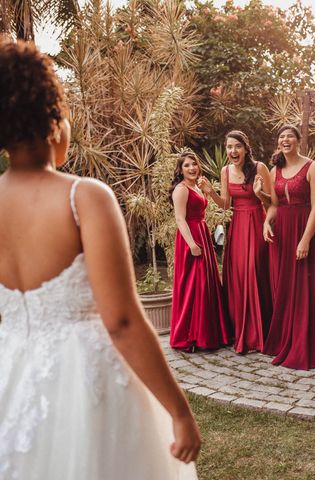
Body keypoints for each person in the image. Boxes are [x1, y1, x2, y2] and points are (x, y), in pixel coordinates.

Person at [0, 40, 199, 479]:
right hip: (84, 388)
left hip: (10, 375)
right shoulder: (84, 197)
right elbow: (122, 320)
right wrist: (179, 412)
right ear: (54, 118)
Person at [198, 130, 272, 353]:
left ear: (246, 148)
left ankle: (260, 332)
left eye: (237, 146)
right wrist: (211, 192)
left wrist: (259, 196)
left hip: (257, 223)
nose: (232, 151)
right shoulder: (225, 171)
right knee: (238, 276)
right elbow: (225, 205)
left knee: (254, 272)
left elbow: (272, 203)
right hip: (237, 227)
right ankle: (240, 330)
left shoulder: (260, 168)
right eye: (229, 147)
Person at [262, 125, 315, 370]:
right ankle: (284, 339)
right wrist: (267, 223)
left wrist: (305, 239)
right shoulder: (274, 169)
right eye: (281, 136)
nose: (285, 139)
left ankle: (306, 344)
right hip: (282, 234)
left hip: (305, 231)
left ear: (299, 141)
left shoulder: (313, 168)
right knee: (285, 287)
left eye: (290, 136)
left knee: (305, 288)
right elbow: (275, 205)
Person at [169, 151, 232, 352]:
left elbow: (221, 205)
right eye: (187, 165)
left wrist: (209, 191)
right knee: (194, 285)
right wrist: (192, 245)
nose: (192, 168)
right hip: (191, 238)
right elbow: (180, 219)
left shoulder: (197, 186)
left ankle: (208, 332)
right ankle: (191, 334)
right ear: (180, 169)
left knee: (206, 283)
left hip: (202, 232)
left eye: (194, 164)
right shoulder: (181, 189)